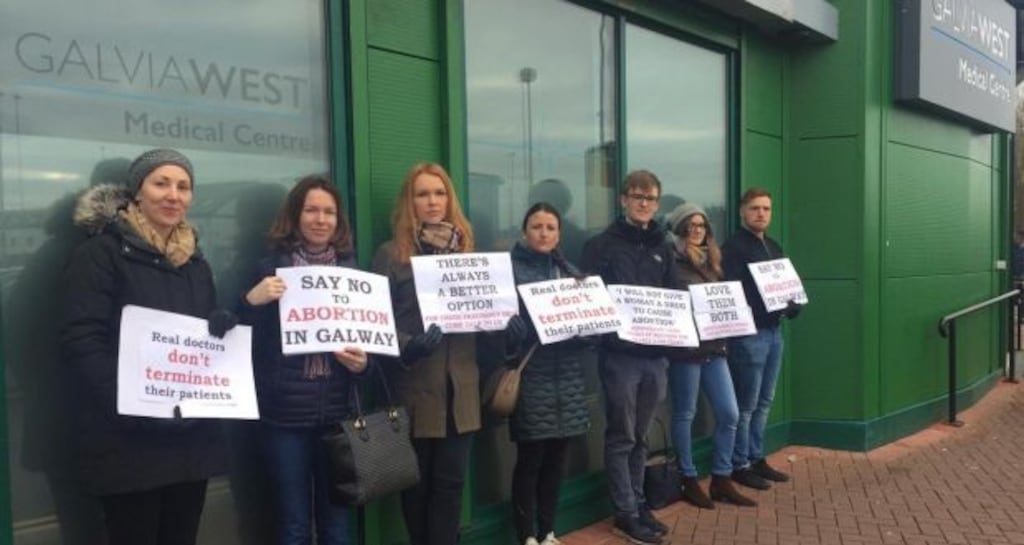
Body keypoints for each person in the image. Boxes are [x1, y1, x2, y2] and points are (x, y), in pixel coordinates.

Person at [60, 148, 233, 545]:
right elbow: (82, 339)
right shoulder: (100, 254)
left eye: (184, 186)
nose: (174, 195)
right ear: (137, 192)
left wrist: (219, 329)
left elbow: (197, 336)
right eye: (162, 183)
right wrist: (132, 405)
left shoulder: (195, 262)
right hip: (128, 441)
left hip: (189, 439)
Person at [372, 162, 525, 545]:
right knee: (417, 487)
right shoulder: (391, 255)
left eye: (439, 193)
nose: (432, 201)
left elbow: (487, 333)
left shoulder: (471, 255)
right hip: (416, 390)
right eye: (423, 194)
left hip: (463, 393)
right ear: (411, 202)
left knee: (451, 486)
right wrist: (409, 344)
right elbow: (376, 321)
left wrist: (507, 331)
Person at [239, 175, 368, 545]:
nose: (320, 219)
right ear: (296, 215)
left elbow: (371, 344)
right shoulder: (267, 271)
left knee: (337, 525)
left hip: (337, 416)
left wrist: (363, 365)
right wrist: (252, 302)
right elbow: (237, 338)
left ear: (338, 220)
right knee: (293, 525)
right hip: (284, 418)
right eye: (311, 209)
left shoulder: (354, 276)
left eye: (329, 212)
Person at [580, 170, 678, 545]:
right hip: (620, 357)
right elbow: (588, 296)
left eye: (650, 198)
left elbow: (674, 297)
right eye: (637, 196)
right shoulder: (601, 245)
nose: (643, 203)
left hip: (655, 357)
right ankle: (625, 513)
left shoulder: (663, 246)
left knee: (640, 436)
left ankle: (638, 504)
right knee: (622, 436)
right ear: (623, 199)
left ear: (657, 203)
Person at [508, 203, 591, 545]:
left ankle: (548, 531)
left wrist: (591, 332)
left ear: (559, 234)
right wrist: (512, 331)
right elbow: (498, 335)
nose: (544, 233)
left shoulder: (571, 273)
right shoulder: (510, 272)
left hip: (568, 379)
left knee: (557, 461)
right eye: (537, 226)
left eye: (550, 227)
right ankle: (526, 535)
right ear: (524, 231)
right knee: (530, 461)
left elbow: (590, 325)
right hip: (533, 377)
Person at [663, 203, 754, 509]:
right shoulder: (671, 263)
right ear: (678, 229)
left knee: (729, 413)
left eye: (701, 225)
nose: (696, 230)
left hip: (715, 350)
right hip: (686, 352)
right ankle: (687, 477)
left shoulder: (714, 263)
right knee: (685, 414)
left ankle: (721, 477)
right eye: (689, 225)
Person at [722, 188, 801, 491]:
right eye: (755, 208)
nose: (761, 213)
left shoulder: (773, 245)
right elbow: (733, 293)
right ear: (743, 211)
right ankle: (739, 463)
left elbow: (787, 286)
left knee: (765, 401)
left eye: (766, 208)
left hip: (773, 331)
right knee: (746, 404)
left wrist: (793, 304)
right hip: (749, 333)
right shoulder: (734, 248)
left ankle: (756, 457)